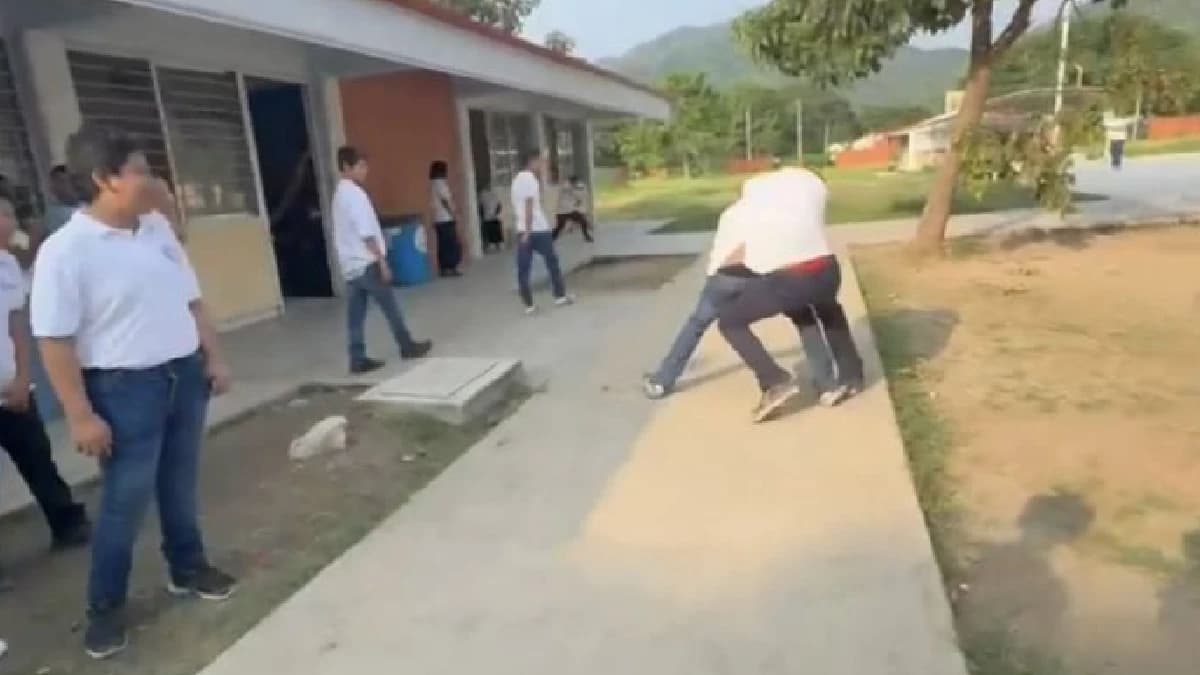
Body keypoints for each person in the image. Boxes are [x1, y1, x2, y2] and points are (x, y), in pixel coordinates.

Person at [31, 125, 237, 659]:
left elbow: (192, 300)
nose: (152, 181)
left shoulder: (157, 231)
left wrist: (212, 357)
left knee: (180, 485)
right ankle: (105, 609)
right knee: (125, 502)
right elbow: (54, 341)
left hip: (183, 376)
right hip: (124, 391)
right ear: (105, 179)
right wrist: (79, 416)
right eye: (140, 171)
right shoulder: (66, 251)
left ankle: (188, 568)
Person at [642, 195, 861, 404]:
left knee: (698, 323)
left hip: (725, 276)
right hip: (761, 274)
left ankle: (662, 381)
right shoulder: (775, 215)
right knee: (804, 317)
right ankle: (826, 385)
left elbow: (729, 251)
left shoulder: (731, 214)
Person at [714, 167, 865, 423]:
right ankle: (846, 379)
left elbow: (736, 258)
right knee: (823, 311)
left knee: (731, 321)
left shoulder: (752, 213)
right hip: (827, 269)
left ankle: (775, 381)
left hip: (791, 279)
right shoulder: (799, 206)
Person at [0, 195, 90, 553]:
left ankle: (67, 523)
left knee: (38, 459)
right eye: (2, 214)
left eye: (9, 213)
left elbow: (17, 324)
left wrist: (23, 376)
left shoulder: (7, 265)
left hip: (13, 390)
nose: (9, 221)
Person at [333, 146, 432, 374]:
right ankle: (406, 345)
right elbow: (366, 232)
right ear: (347, 167)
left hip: (351, 266)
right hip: (367, 262)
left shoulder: (340, 194)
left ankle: (356, 358)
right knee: (390, 306)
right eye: (361, 166)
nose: (365, 170)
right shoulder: (355, 195)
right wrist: (382, 262)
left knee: (355, 315)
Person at [512, 150, 573, 314]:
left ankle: (529, 305)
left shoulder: (516, 179)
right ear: (533, 161)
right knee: (552, 262)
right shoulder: (530, 179)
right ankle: (560, 296)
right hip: (537, 229)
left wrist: (523, 231)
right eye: (541, 162)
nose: (543, 166)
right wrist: (528, 230)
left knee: (523, 268)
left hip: (522, 229)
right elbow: (529, 205)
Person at [429, 160, 462, 277]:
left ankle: (444, 268)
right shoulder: (440, 183)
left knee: (442, 245)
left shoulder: (432, 184)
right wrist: (454, 214)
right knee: (451, 244)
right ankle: (451, 267)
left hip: (438, 219)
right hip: (446, 218)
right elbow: (445, 200)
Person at [553, 175, 593, 243]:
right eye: (573, 182)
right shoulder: (565, 186)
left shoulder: (578, 186)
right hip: (562, 211)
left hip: (572, 210)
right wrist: (575, 188)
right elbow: (567, 189)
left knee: (583, 221)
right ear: (570, 181)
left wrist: (578, 202)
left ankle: (586, 236)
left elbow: (581, 196)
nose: (575, 183)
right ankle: (552, 238)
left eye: (576, 182)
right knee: (560, 226)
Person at [43, 165, 79, 238]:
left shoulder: (88, 205)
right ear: (53, 187)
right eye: (62, 181)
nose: (69, 185)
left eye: (72, 180)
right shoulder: (53, 215)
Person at [478, 184, 504, 252]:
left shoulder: (482, 195)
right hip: (494, 217)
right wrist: (496, 213)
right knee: (496, 231)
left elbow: (480, 207)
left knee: (488, 231)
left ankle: (489, 245)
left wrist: (482, 216)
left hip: (487, 218)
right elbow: (499, 205)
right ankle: (497, 245)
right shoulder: (494, 195)